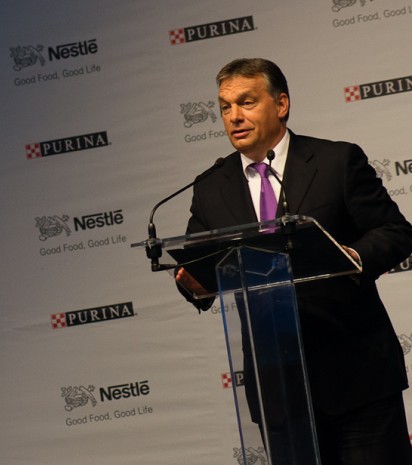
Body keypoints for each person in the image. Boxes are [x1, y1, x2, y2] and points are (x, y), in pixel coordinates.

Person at [175, 58, 412, 464]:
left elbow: (395, 231)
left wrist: (352, 256)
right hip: (278, 390)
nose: (234, 116)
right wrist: (194, 284)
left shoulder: (335, 161)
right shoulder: (211, 186)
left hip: (358, 378)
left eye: (246, 102)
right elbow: (201, 264)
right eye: (225, 107)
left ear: (281, 104)